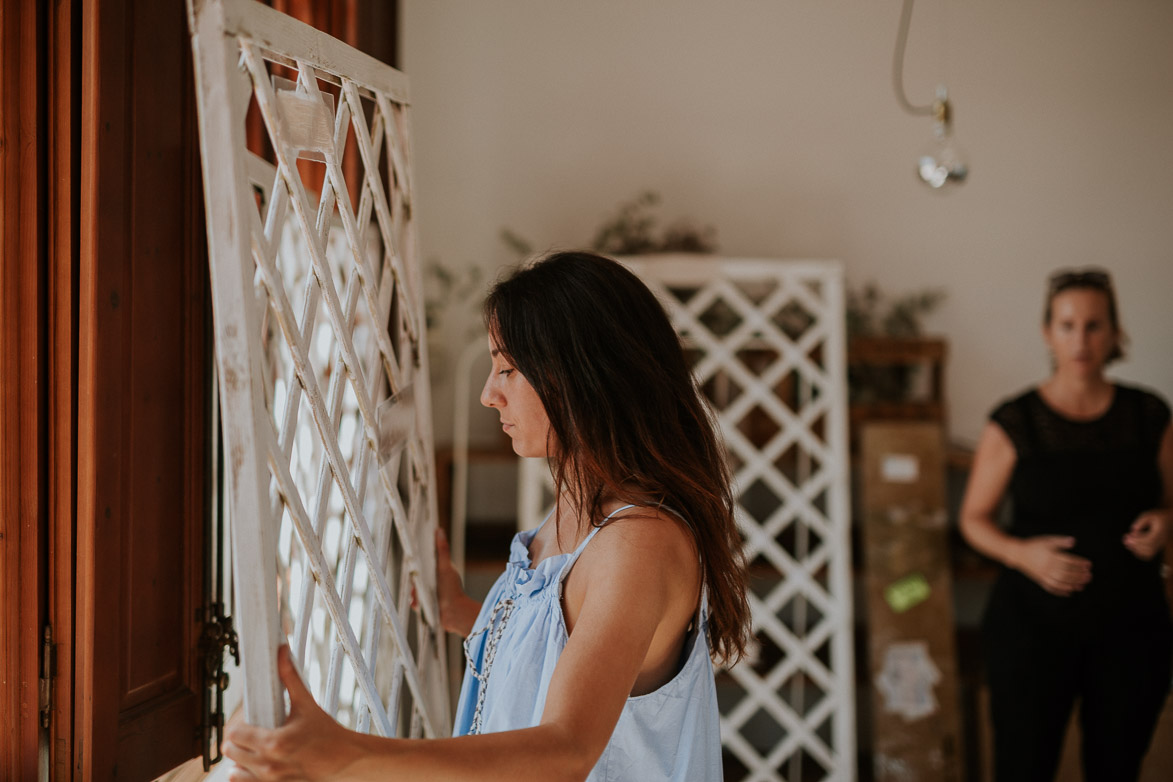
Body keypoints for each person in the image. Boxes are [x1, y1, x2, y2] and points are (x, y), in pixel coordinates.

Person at [223, 251, 751, 781]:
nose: (487, 394)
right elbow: (566, 651)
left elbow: (566, 751)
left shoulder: (640, 545)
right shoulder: (579, 516)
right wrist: (463, 612)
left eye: (507, 369)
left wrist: (345, 754)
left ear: (583, 374)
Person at [959, 267, 1173, 782]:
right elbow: (973, 519)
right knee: (1023, 767)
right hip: (1032, 630)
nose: (1081, 339)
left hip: (1131, 628)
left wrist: (1167, 522)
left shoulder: (1150, 414)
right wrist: (1022, 554)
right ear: (1047, 332)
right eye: (1068, 324)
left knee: (1117, 767)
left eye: (1095, 325)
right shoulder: (1015, 421)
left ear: (1116, 333)